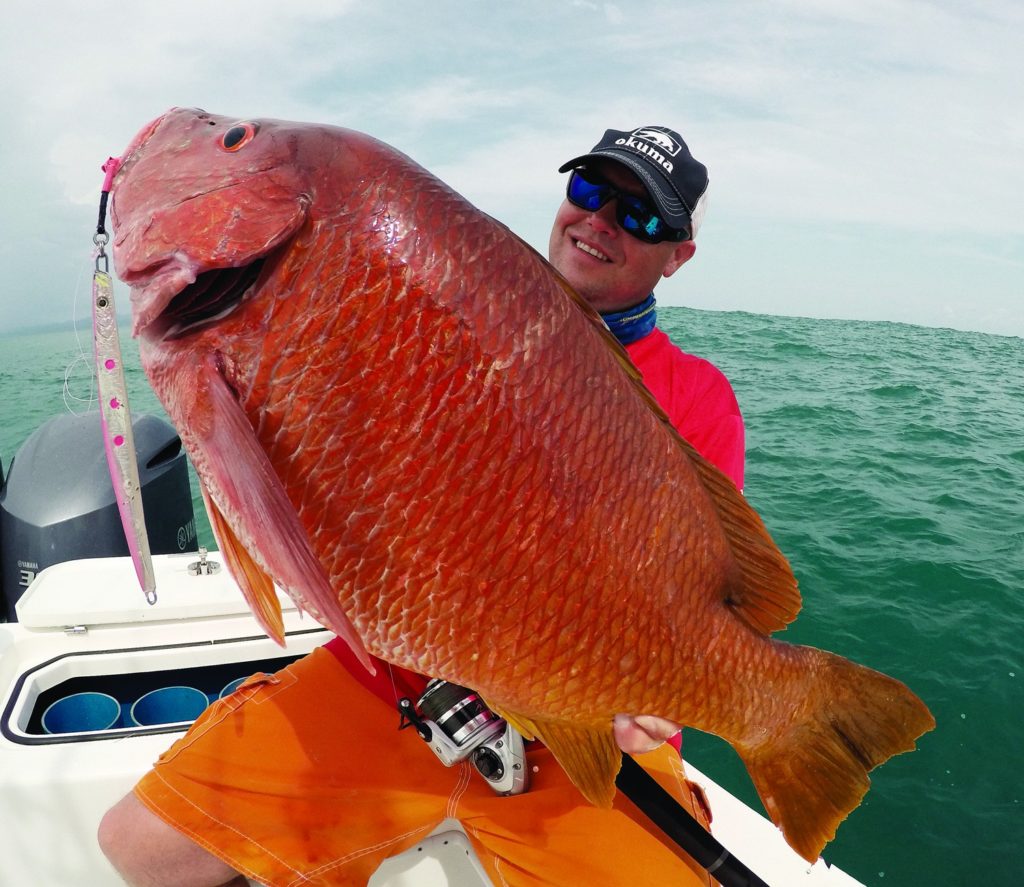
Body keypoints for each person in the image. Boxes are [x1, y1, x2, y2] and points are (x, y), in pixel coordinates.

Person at [98, 125, 745, 887]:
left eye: (640, 217)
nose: (601, 220)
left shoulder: (697, 398)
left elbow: (701, 596)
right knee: (141, 847)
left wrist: (650, 699)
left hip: (582, 726)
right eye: (590, 191)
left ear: (679, 255)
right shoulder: (428, 302)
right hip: (397, 684)